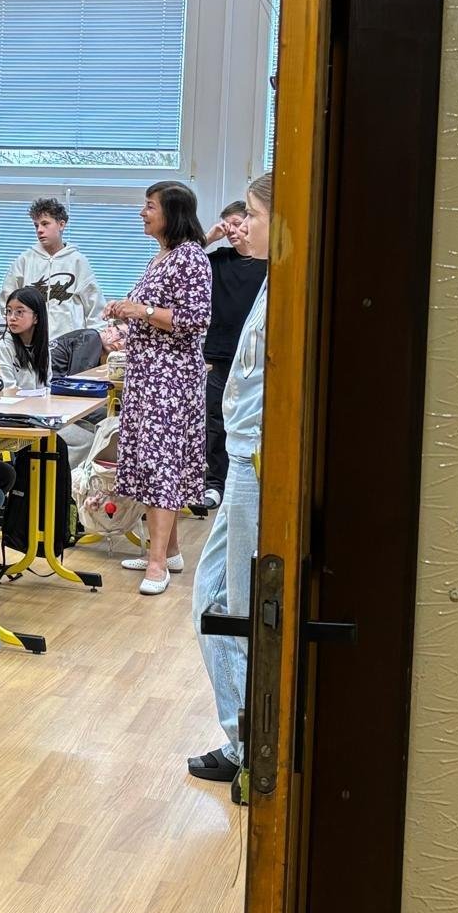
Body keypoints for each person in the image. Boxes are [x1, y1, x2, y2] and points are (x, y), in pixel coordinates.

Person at [189, 172, 272, 804]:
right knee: (213, 601)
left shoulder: (290, 286)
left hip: (258, 463)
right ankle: (246, 740)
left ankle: (253, 751)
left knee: (236, 609)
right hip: (245, 457)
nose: (243, 224)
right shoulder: (268, 280)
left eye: (254, 214)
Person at [105, 183, 212, 595]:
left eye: (150, 206)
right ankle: (169, 551)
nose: (142, 213)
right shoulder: (161, 256)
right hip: (145, 375)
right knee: (149, 462)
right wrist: (124, 317)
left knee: (162, 464)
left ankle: (156, 564)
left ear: (173, 212)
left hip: (170, 380)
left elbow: (195, 319)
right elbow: (150, 314)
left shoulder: (191, 256)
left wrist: (142, 310)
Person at [201, 198, 267, 510]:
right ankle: (215, 484)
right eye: (227, 226)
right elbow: (182, 260)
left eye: (239, 223)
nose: (233, 231)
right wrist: (211, 236)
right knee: (215, 420)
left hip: (254, 358)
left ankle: (245, 485)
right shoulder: (218, 260)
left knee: (249, 423)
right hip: (218, 353)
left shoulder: (267, 263)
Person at [0, 285, 97, 469]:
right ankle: (49, 478)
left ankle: (53, 479)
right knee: (85, 441)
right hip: (19, 417)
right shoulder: (3, 346)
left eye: (19, 312)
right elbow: (8, 389)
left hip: (40, 413)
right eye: (9, 311)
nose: (12, 317)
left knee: (92, 431)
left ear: (36, 317)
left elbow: (47, 386)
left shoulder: (42, 347)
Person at [0, 197, 105, 341]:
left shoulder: (78, 262)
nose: (39, 230)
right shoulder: (24, 261)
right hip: (32, 343)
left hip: (69, 344)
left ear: (61, 225)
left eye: (45, 224)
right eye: (36, 225)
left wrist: (95, 341)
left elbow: (95, 306)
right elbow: (7, 300)